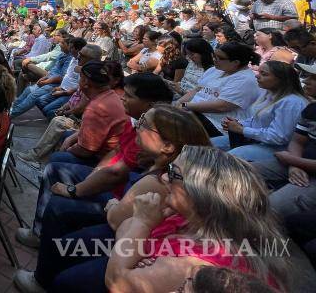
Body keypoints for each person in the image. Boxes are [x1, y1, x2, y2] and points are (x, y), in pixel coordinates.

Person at [13, 106, 212, 292]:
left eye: (143, 124)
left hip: (136, 239)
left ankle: (42, 279)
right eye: (140, 119)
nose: (137, 126)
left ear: (167, 146)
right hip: (133, 228)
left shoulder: (160, 181)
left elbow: (117, 219)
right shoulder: (155, 161)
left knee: (62, 230)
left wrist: (100, 200)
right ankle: (44, 260)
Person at [103, 147, 287, 293]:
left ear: (201, 195)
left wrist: (142, 224)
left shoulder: (197, 265)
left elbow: (116, 282)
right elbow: (124, 227)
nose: (164, 177)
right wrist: (134, 244)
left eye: (174, 173)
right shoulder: (191, 219)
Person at [252, 62, 316, 218]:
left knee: (270, 209)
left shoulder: (292, 101)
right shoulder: (312, 109)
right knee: (235, 171)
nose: (306, 81)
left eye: (313, 78)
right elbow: (297, 141)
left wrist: (293, 161)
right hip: (298, 162)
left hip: (307, 169)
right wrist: (294, 163)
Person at [213, 60, 308, 161]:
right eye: (258, 72)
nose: (257, 76)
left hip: (277, 150)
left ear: (281, 79)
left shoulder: (291, 102)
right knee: (206, 144)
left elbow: (279, 137)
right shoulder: (268, 92)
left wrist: (242, 130)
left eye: (264, 74)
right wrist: (239, 124)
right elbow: (256, 120)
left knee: (224, 159)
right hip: (255, 141)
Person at [175, 42, 262, 136]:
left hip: (216, 124)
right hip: (195, 113)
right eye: (214, 56)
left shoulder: (246, 80)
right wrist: (178, 103)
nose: (214, 60)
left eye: (219, 58)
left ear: (236, 62)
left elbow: (221, 106)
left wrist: (185, 105)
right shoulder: (214, 70)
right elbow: (197, 90)